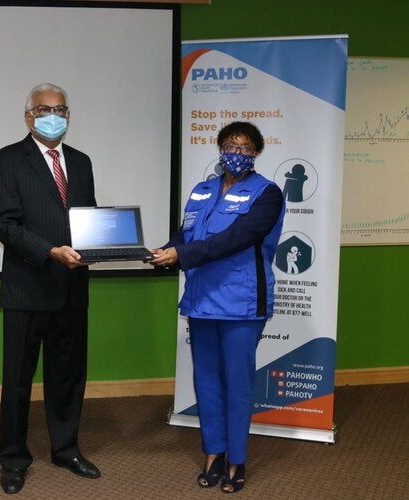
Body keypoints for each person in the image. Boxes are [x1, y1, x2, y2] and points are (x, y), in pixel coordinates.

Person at [150, 121, 284, 494]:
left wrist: (182, 254)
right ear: (220, 148)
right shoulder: (202, 190)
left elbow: (236, 238)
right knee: (206, 380)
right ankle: (214, 453)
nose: (237, 153)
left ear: (256, 153)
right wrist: (166, 251)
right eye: (231, 145)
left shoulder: (267, 193)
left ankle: (237, 459)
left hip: (242, 303)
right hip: (201, 300)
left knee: (237, 383)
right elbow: (185, 234)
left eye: (246, 148)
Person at [0, 83, 101, 494]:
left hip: (72, 286)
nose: (53, 116)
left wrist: (98, 247)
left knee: (68, 375)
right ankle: (13, 459)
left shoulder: (82, 162)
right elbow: (4, 223)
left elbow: (88, 218)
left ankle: (66, 449)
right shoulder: (7, 159)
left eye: (60, 109)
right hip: (28, 286)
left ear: (68, 116)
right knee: (18, 380)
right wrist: (50, 251)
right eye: (44, 109)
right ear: (28, 116)